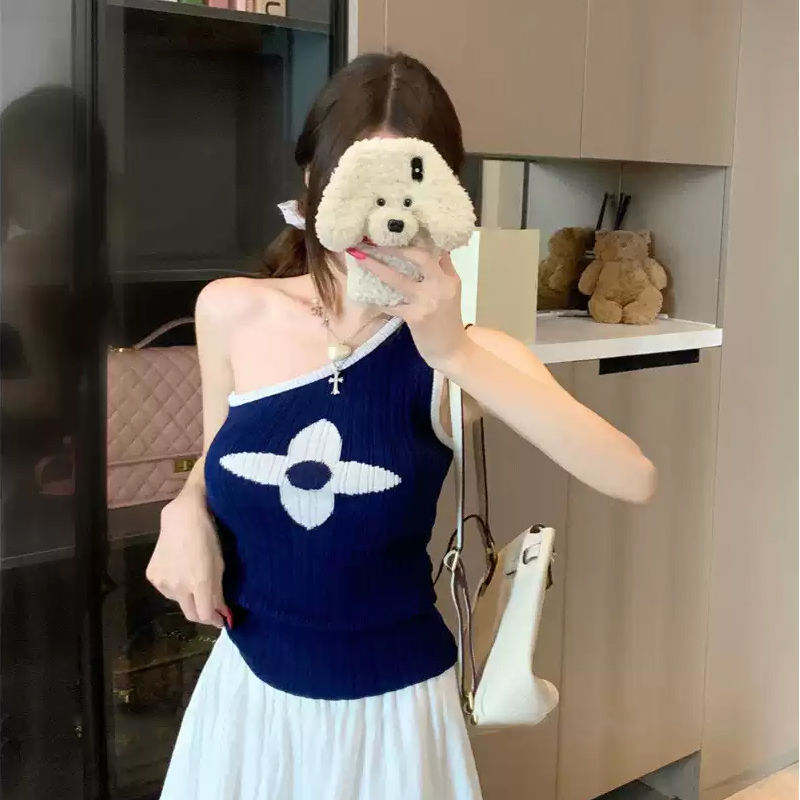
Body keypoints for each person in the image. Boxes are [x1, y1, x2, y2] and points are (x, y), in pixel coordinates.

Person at [147, 52, 655, 800]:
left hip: (393, 718)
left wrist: (452, 350)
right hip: (248, 697)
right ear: (313, 180)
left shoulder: (466, 355)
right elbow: (218, 451)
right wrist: (183, 507)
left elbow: (632, 476)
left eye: (408, 179)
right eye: (357, 177)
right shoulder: (231, 309)